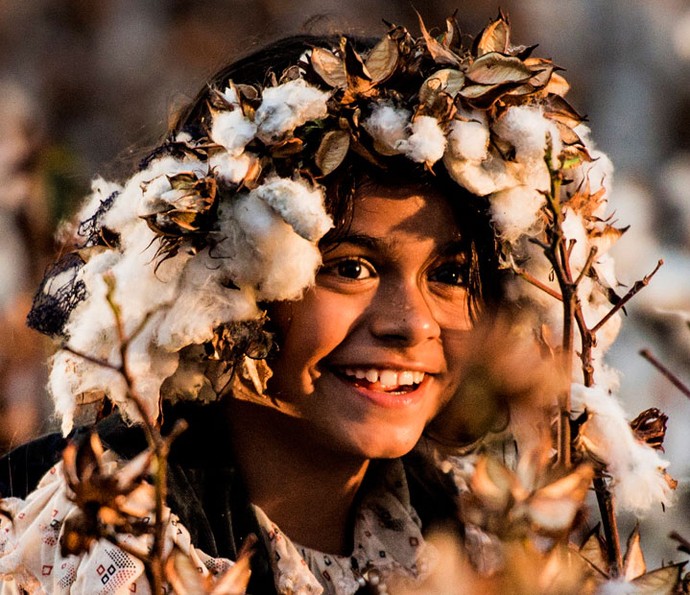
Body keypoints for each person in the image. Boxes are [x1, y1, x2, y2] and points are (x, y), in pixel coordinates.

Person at [0, 12, 674, 595]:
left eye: (450, 274)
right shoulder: (80, 539)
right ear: (225, 285)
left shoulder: (476, 548)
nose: (410, 326)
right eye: (351, 267)